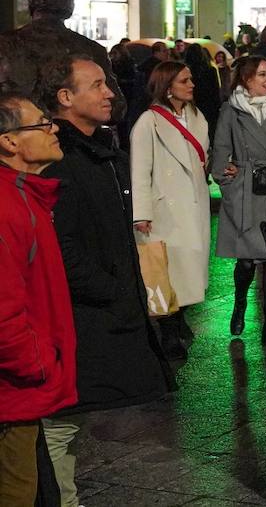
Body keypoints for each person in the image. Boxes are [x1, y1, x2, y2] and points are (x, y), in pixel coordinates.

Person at [37, 58, 172, 507]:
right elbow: (63, 247)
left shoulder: (99, 151)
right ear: (65, 98)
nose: (110, 92)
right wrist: (112, 289)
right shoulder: (59, 158)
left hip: (101, 306)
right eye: (96, 85)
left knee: (69, 421)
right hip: (76, 315)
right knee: (58, 421)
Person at [0, 92, 76, 507]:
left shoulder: (27, 195)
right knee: (17, 491)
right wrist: (40, 364)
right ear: (9, 141)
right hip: (13, 391)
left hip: (19, 388)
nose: (54, 128)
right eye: (42, 124)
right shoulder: (7, 205)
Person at [210, 54, 266, 343]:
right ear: (246, 79)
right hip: (245, 190)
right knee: (246, 261)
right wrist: (227, 178)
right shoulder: (231, 110)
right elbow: (220, 147)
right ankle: (240, 304)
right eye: (261, 74)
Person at [129, 60, 211, 357]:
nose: (191, 85)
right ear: (167, 88)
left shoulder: (197, 116)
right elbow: (140, 170)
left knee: (190, 269)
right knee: (168, 272)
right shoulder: (147, 123)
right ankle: (170, 331)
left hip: (193, 203)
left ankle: (179, 321)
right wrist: (142, 213)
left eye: (190, 79)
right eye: (184, 81)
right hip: (165, 209)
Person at [0, 0, 126, 123]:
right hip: (74, 138)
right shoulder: (91, 48)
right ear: (69, 6)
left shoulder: (5, 43)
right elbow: (116, 107)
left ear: (31, 5)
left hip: (18, 133)